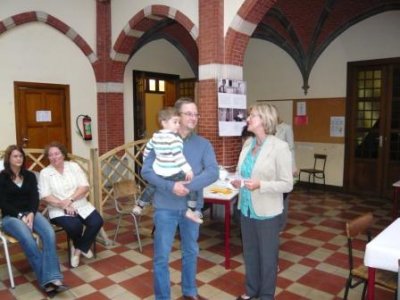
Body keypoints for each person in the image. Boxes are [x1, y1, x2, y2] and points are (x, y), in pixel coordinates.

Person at [141, 97, 219, 300]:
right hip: (165, 207)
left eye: (196, 114)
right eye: (189, 114)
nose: (194, 118)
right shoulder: (160, 140)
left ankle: (190, 291)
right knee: (161, 257)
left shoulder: (203, 144)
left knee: (191, 252)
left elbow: (212, 172)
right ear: (177, 116)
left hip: (192, 208)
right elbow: (146, 171)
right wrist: (170, 185)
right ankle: (162, 297)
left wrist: (187, 187)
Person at [231, 104, 293, 300]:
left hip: (267, 211)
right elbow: (243, 172)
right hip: (246, 208)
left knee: (267, 258)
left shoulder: (280, 147)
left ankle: (266, 295)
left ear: (265, 121)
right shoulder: (248, 144)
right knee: (250, 254)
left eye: (252, 116)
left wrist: (261, 185)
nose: (248, 118)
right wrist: (237, 180)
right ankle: (251, 291)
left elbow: (287, 184)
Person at [0, 145, 68, 296]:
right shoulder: (2, 177)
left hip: (30, 213)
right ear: (8, 159)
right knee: (28, 238)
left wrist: (31, 213)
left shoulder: (29, 176)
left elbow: (34, 197)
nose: (19, 159)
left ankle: (52, 280)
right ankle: (49, 281)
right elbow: (2, 202)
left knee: (49, 233)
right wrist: (20, 216)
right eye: (15, 156)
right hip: (10, 218)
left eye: (21, 156)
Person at [39, 142, 104, 268]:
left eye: (57, 153)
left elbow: (84, 186)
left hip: (80, 203)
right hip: (58, 208)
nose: (54, 157)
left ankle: (79, 249)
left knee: (97, 221)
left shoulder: (73, 166)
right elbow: (46, 196)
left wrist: (70, 200)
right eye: (50, 155)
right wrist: (63, 204)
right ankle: (82, 246)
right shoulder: (45, 173)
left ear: (63, 154)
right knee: (75, 226)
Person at [133, 107, 203, 224]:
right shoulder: (174, 139)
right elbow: (178, 156)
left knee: (151, 187)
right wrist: (188, 170)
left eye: (178, 122)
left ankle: (139, 205)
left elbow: (147, 150)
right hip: (174, 172)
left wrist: (146, 161)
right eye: (175, 122)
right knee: (191, 185)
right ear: (164, 123)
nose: (177, 125)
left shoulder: (155, 137)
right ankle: (191, 209)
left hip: (160, 172)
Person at [275, 115, 298, 231]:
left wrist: (293, 167)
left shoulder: (286, 128)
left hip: (284, 166)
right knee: (275, 197)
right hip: (273, 168)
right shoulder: (269, 128)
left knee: (284, 197)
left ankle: (281, 225)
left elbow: (291, 148)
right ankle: (274, 222)